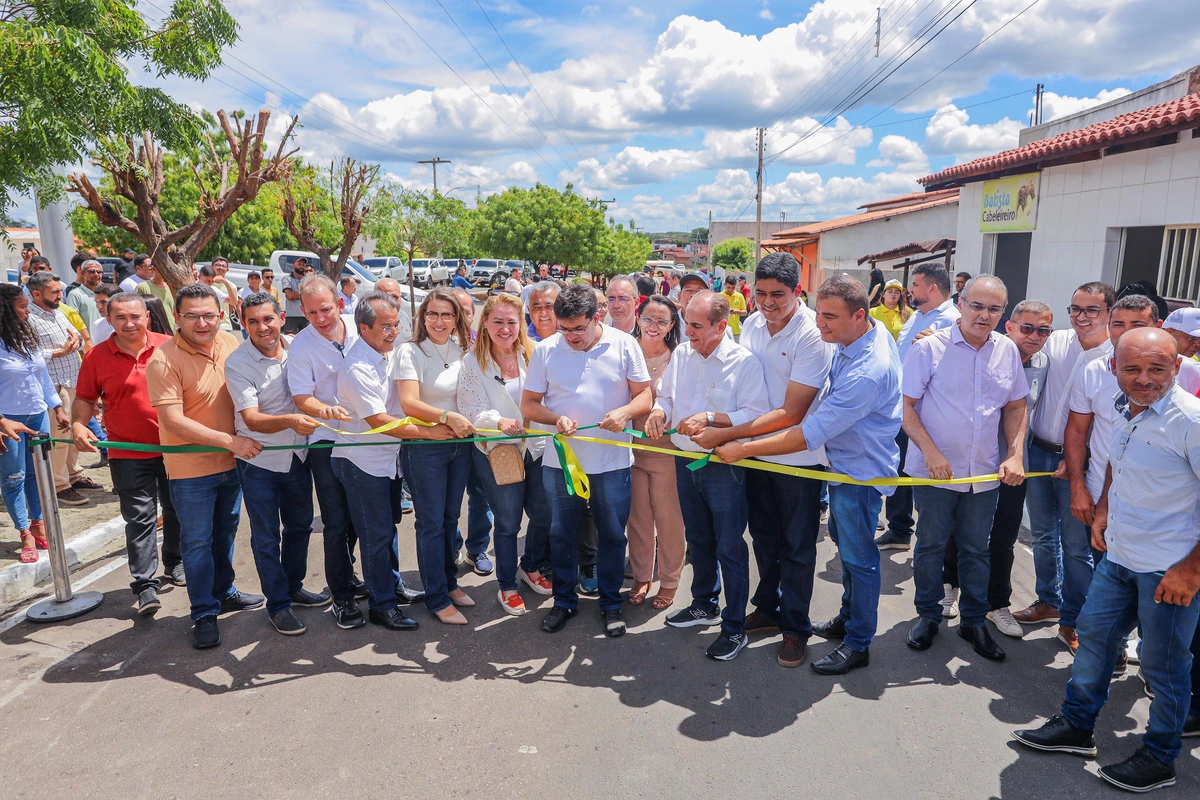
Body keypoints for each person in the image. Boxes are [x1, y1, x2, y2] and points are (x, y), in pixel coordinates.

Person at [1012, 327, 1200, 794]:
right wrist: (1104, 509)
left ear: (1177, 368)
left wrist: (1191, 569)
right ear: (1114, 368)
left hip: (1168, 570)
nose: (1143, 379)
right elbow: (1119, 459)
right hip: (1119, 556)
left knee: (1163, 666)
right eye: (1132, 368)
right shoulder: (1124, 407)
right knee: (1093, 636)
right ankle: (1077, 728)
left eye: (1157, 368)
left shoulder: (1191, 421)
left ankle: (1160, 757)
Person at [716, 276, 902, 675]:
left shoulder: (867, 371)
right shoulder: (866, 333)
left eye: (830, 317)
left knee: (859, 559)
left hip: (858, 474)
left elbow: (808, 430)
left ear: (859, 315)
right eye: (818, 313)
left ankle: (857, 643)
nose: (820, 324)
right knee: (844, 551)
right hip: (840, 465)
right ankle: (845, 619)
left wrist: (742, 447)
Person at [692, 252, 833, 668]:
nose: (768, 302)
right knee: (765, 539)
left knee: (797, 546)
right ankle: (768, 609)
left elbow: (793, 413)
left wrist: (728, 435)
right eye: (761, 293)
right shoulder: (750, 323)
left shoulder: (811, 336)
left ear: (798, 293)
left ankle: (795, 628)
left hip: (796, 457)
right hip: (752, 454)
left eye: (779, 295)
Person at [901, 276, 1028, 662]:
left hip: (984, 473)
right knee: (930, 546)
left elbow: (1016, 407)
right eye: (977, 305)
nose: (984, 315)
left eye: (994, 308)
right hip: (935, 473)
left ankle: (973, 622)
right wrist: (930, 452)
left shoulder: (1007, 350)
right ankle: (928, 615)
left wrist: (1016, 454)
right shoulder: (929, 348)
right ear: (960, 302)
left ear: (1002, 313)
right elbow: (906, 408)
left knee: (977, 549)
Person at [522, 283, 652, 637]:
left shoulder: (624, 344)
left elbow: (645, 395)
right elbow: (529, 405)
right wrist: (554, 419)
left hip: (611, 463)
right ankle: (564, 601)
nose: (571, 336)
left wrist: (625, 411)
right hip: (561, 463)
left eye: (578, 328)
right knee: (561, 534)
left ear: (597, 317)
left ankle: (611, 604)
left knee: (612, 535)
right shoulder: (546, 350)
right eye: (564, 329)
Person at [648, 292, 768, 660]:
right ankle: (704, 603)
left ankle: (734, 627)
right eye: (687, 322)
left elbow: (755, 413)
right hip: (686, 461)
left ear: (721, 326)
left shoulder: (743, 362)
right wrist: (657, 410)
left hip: (722, 466)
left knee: (729, 546)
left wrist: (711, 418)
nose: (689, 331)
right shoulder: (683, 354)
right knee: (699, 539)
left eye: (697, 325)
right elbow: (666, 397)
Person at [146, 283, 264, 649]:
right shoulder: (163, 360)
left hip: (233, 464)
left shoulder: (230, 343)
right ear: (177, 317)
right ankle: (203, 612)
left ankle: (223, 591)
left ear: (221, 315)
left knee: (225, 533)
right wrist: (232, 441)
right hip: (191, 469)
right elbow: (174, 421)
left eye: (209, 315)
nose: (202, 323)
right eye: (192, 316)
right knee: (196, 542)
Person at [333, 292, 452, 631]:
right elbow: (380, 421)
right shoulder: (357, 367)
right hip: (361, 462)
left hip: (386, 460)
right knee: (376, 535)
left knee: (385, 532)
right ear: (364, 328)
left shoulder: (386, 354)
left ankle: (389, 590)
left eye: (396, 324)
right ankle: (382, 606)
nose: (394, 332)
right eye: (385, 327)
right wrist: (432, 432)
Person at [942, 301, 1054, 639]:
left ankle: (997, 603)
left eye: (1043, 330)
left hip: (1013, 467)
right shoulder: (981, 353)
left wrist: (1017, 457)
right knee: (958, 529)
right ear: (1010, 326)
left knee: (1003, 535)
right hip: (971, 464)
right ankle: (950, 585)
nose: (1034, 336)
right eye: (1027, 328)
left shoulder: (1045, 364)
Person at [1012, 282, 1116, 642]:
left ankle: (1075, 619)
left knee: (1076, 548)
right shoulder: (1055, 341)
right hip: (1039, 456)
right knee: (1042, 536)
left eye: (1092, 310)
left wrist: (1081, 459)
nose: (1082, 317)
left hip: (1079, 467)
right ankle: (1048, 600)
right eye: (1076, 309)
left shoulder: (1114, 361)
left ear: (1109, 314)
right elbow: (1009, 344)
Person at [1059, 294, 1159, 660]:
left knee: (1154, 591)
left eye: (1138, 324)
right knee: (1108, 581)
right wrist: (1078, 486)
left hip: (1159, 511)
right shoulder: (1093, 370)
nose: (1125, 332)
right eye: (1118, 324)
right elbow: (1077, 432)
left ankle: (1153, 660)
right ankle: (1110, 650)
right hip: (1103, 503)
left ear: (1157, 327)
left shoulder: (1175, 375)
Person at [226, 293, 330, 636]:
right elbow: (252, 419)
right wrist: (292, 421)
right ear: (243, 324)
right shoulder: (238, 362)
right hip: (260, 462)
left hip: (299, 456)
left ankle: (293, 586)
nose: (262, 327)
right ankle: (278, 604)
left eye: (267, 319)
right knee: (267, 536)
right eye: (252, 321)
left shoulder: (298, 347)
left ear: (282, 318)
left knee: (300, 527)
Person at [72, 292, 183, 614]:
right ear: (108, 320)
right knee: (140, 518)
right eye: (120, 317)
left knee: (176, 510)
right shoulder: (96, 357)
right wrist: (79, 425)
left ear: (147, 316)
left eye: (135, 316)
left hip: (175, 447)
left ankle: (175, 562)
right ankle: (145, 585)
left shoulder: (170, 345)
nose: (129, 323)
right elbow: (84, 399)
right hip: (127, 451)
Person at [458, 293, 554, 614]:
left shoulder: (536, 353)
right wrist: (499, 421)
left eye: (512, 321)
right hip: (499, 451)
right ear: (484, 323)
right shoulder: (473, 363)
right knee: (508, 521)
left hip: (538, 447)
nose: (505, 328)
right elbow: (471, 410)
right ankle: (507, 585)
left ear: (521, 324)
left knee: (543, 513)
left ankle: (530, 565)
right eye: (497, 321)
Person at [395, 288, 479, 624]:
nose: (439, 321)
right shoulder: (410, 351)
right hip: (424, 448)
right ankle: (436, 597)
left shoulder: (464, 352)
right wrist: (446, 418)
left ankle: (449, 582)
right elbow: (409, 403)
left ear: (457, 318)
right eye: (432, 314)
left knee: (448, 520)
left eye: (446, 314)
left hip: (459, 447)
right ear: (422, 317)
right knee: (430, 523)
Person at [877, 263, 961, 551]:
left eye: (914, 284)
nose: (909, 290)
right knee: (899, 467)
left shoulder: (952, 321)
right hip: (902, 407)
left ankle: (932, 549)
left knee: (925, 479)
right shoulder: (918, 316)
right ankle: (900, 528)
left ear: (932, 288)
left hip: (927, 412)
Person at [625, 295, 686, 609]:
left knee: (669, 518)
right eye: (648, 319)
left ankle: (670, 580)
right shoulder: (623, 349)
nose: (654, 326)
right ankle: (641, 576)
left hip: (665, 451)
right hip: (625, 450)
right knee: (637, 518)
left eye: (662, 321)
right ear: (638, 318)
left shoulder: (680, 358)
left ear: (672, 325)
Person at [26, 271, 103, 507]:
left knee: (73, 432)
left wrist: (75, 344)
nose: (61, 295)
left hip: (72, 380)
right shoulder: (28, 318)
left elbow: (78, 338)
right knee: (58, 437)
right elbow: (28, 354)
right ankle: (59, 486)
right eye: (55, 291)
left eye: (60, 290)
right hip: (53, 385)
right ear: (37, 294)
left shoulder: (59, 311)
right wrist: (58, 352)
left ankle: (73, 474)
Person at [0, 284, 65, 563]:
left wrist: (58, 407)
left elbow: (43, 378)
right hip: (7, 421)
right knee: (13, 478)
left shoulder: (28, 336)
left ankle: (39, 525)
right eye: (23, 306)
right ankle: (25, 533)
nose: (28, 311)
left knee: (38, 476)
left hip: (38, 415)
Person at [450, 287, 495, 571]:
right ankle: (452, 546)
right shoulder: (433, 344)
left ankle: (477, 549)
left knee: (482, 496)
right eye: (458, 311)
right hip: (448, 437)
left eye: (467, 311)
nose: (463, 317)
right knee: (450, 500)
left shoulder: (484, 343)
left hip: (480, 435)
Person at [134, 257, 175, 331]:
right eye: (163, 269)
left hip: (171, 330)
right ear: (153, 269)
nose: (166, 272)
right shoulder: (143, 287)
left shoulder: (171, 287)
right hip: (153, 331)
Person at [64, 258, 103, 332]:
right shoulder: (75, 295)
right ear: (82, 273)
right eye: (92, 271)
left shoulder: (106, 294)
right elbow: (73, 322)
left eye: (99, 272)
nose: (96, 274)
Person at [197, 265, 235, 332]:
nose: (210, 284)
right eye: (207, 280)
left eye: (212, 281)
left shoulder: (213, 290)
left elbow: (233, 301)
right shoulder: (190, 288)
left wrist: (226, 283)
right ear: (199, 277)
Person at [282, 258, 310, 334]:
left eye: (303, 265)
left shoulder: (307, 280)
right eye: (299, 264)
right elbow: (289, 295)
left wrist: (296, 294)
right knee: (289, 340)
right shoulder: (287, 279)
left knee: (306, 341)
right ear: (293, 265)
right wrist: (306, 294)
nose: (301, 266)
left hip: (306, 316)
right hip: (292, 316)